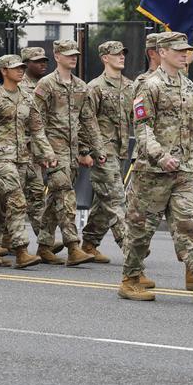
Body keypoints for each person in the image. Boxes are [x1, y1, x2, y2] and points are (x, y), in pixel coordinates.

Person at [119, 32, 193, 304]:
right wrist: (160, 156)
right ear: (162, 52)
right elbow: (142, 128)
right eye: (178, 50)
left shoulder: (188, 85)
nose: (184, 54)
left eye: (186, 50)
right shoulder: (149, 85)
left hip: (184, 170)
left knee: (188, 223)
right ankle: (130, 278)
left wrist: (191, 164)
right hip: (152, 171)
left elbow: (189, 129)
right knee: (141, 229)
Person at [0, 55, 56, 269]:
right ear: (3, 71)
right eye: (15, 68)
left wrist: (48, 154)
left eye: (21, 67)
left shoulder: (28, 99)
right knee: (17, 200)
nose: (20, 71)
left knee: (3, 203)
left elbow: (37, 131)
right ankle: (21, 251)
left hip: (21, 158)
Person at [34, 39, 102, 267]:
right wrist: (43, 153)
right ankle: (74, 246)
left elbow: (88, 121)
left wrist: (92, 149)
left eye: (76, 54)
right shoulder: (46, 85)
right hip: (53, 152)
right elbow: (36, 123)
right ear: (57, 56)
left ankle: (44, 245)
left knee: (55, 200)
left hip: (72, 152)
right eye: (69, 54)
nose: (73, 57)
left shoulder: (81, 86)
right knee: (66, 195)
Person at [81, 41, 133, 263]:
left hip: (121, 151)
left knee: (104, 201)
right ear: (105, 58)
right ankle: (131, 247)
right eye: (116, 54)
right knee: (116, 198)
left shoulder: (130, 86)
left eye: (123, 53)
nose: (121, 56)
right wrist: (85, 150)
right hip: (102, 152)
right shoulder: (95, 87)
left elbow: (138, 118)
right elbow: (86, 120)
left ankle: (89, 244)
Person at [18, 46, 50, 236]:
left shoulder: (46, 84)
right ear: (26, 64)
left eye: (44, 60)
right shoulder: (20, 85)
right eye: (37, 61)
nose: (43, 64)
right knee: (13, 197)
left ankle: (44, 239)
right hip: (22, 148)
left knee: (37, 193)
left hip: (39, 149)